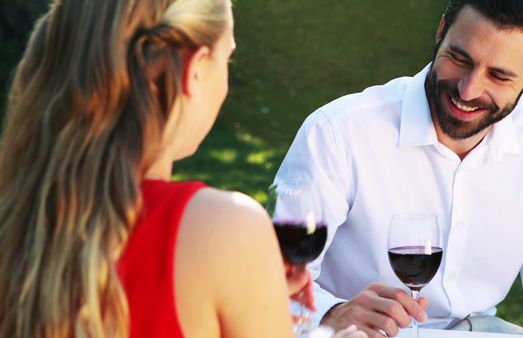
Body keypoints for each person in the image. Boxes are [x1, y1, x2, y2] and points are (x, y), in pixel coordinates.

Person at [0, 0, 365, 337]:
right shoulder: (224, 227)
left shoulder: (18, 216)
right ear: (195, 68)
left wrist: (248, 285)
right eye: (227, 59)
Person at [274, 0, 523, 337]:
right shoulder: (339, 133)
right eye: (459, 58)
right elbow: (273, 278)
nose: (468, 89)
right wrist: (332, 314)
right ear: (441, 32)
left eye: (499, 75)